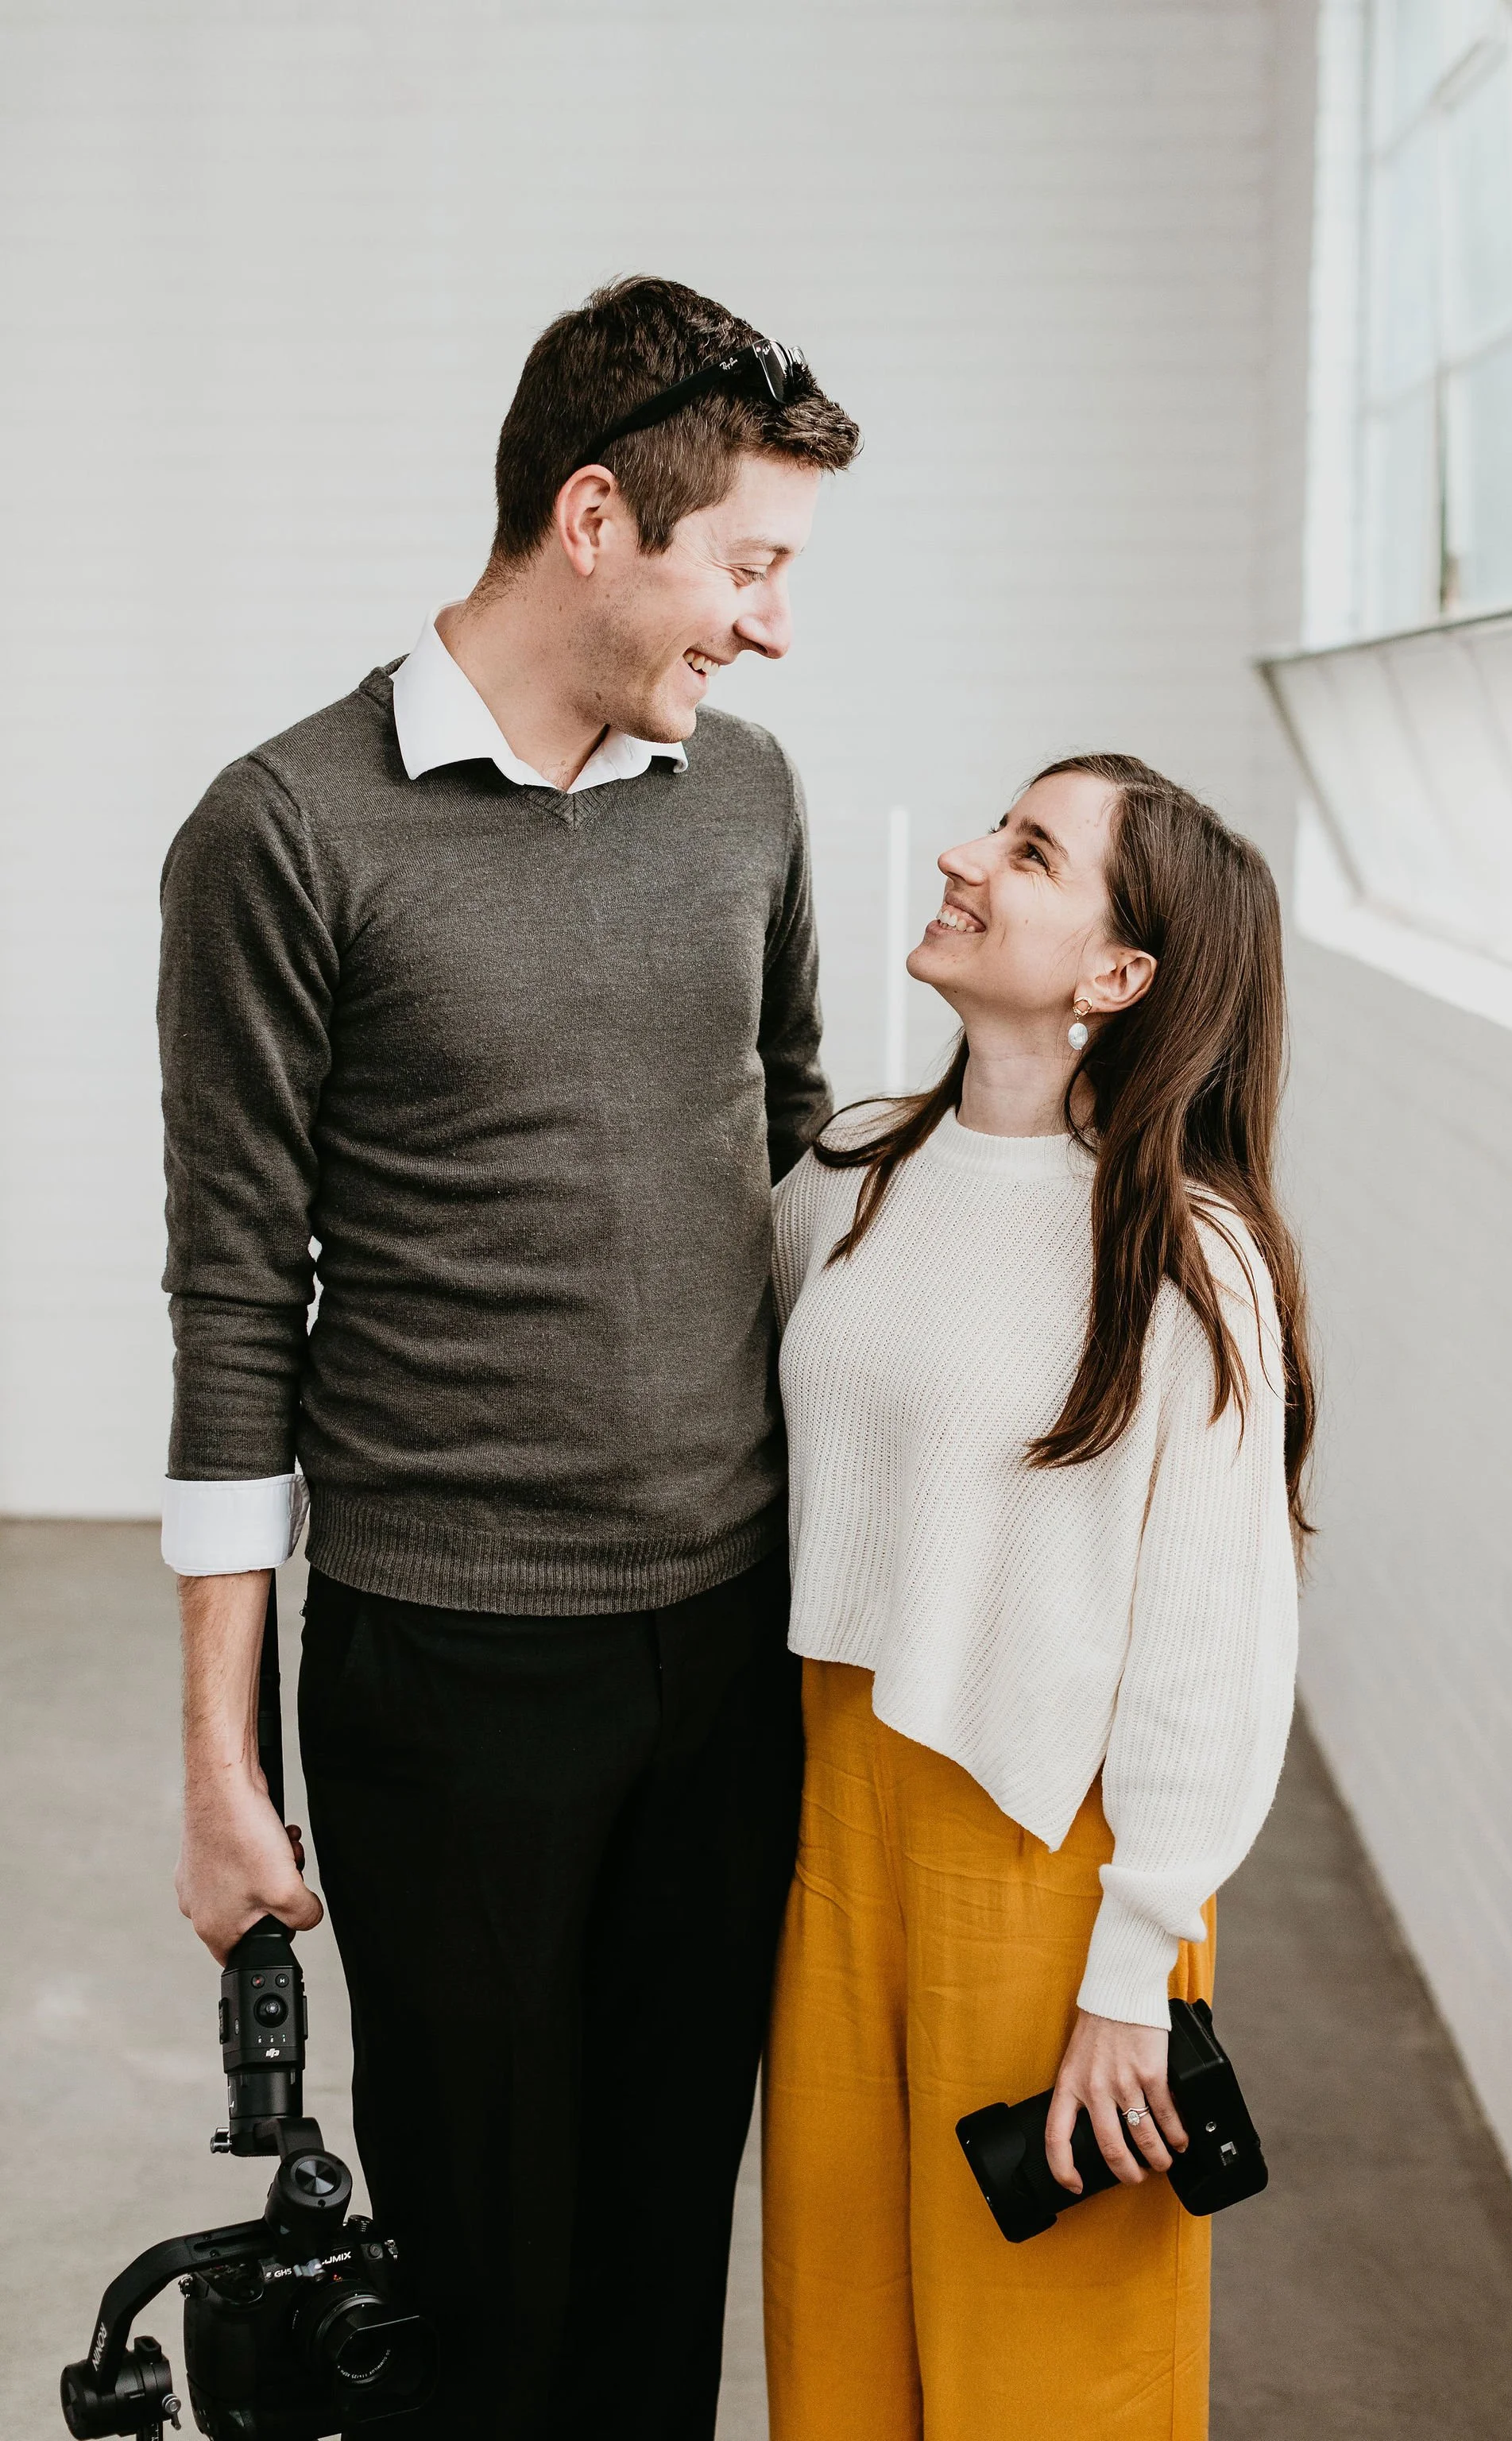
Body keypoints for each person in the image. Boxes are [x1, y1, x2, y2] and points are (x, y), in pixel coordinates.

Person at [157, 274, 860, 2439]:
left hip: (729, 1655)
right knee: (487, 2286)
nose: (768, 626)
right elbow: (228, 1300)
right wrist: (219, 1757)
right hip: (449, 1674)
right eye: (745, 567)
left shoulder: (744, 797)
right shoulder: (281, 833)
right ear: (592, 519)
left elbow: (805, 1139)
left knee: (662, 2265)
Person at [762, 752, 1313, 2440]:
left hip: (1050, 1848)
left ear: (1114, 976)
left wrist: (1134, 1968)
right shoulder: (850, 1170)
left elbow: (1213, 1640)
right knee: (838, 2341)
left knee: (1045, 2381)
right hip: (836, 1812)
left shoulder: (1181, 1255)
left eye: (1025, 850)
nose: (958, 858)